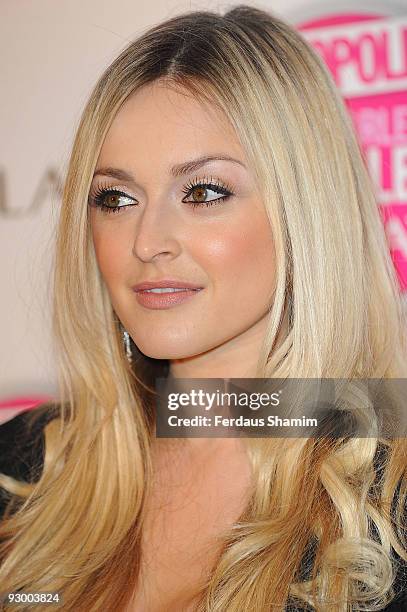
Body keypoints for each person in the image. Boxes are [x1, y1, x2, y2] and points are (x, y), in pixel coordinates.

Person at [0, 5, 406, 611]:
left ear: (303, 212)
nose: (146, 240)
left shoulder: (392, 496)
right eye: (115, 198)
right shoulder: (25, 466)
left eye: (204, 192)